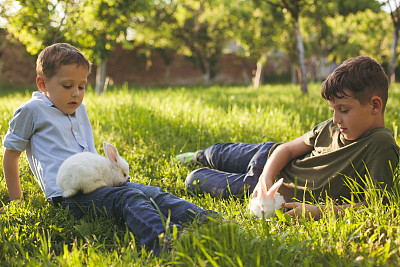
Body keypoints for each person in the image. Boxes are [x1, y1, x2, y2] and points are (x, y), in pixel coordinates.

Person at [1, 43, 218, 255]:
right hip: (69, 196)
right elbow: (11, 155)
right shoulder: (32, 111)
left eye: (81, 86)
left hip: (99, 182)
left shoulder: (79, 109)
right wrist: (16, 201)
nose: (76, 93)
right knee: (128, 198)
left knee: (152, 193)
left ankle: (209, 221)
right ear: (42, 84)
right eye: (68, 86)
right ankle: (167, 240)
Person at [176, 56, 399, 219]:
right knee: (218, 153)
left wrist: (320, 212)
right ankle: (198, 155)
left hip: (266, 191)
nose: (335, 119)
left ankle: (200, 164)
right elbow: (288, 149)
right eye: (333, 110)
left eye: (343, 110)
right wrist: (266, 176)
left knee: (194, 179)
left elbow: (376, 205)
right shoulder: (330, 127)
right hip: (268, 159)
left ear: (374, 106)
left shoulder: (381, 145)